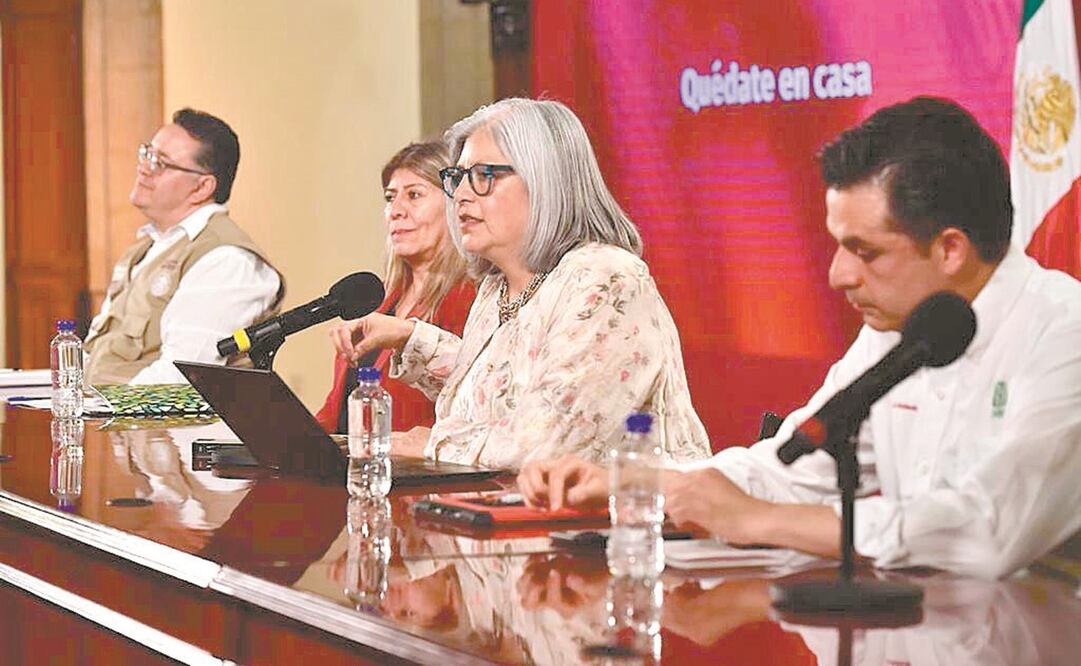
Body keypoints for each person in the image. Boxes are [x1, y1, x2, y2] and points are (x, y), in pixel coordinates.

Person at [518, 97, 1081, 578]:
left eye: (865, 251)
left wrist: (757, 521)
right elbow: (790, 469)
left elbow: (989, 532)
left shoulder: (1063, 333)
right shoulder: (899, 329)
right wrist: (637, 481)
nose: (839, 275)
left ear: (950, 249)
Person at [334, 98, 711, 470]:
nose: (462, 194)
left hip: (633, 522)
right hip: (526, 519)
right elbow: (498, 393)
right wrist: (408, 336)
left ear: (545, 179)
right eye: (458, 177)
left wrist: (435, 444)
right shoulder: (499, 285)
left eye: (484, 176)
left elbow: (549, 443)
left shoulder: (608, 278)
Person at [84, 108, 284, 385]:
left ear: (202, 187)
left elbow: (180, 378)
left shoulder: (226, 259)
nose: (143, 167)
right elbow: (95, 356)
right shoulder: (142, 251)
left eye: (161, 163)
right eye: (147, 153)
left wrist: (91, 410)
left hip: (169, 428)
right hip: (111, 420)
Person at [317, 142, 475, 433]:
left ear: (456, 204)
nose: (395, 211)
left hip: (422, 473)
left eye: (414, 195)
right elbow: (336, 412)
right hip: (353, 470)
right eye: (390, 198)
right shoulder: (376, 301)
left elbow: (471, 409)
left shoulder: (469, 299)